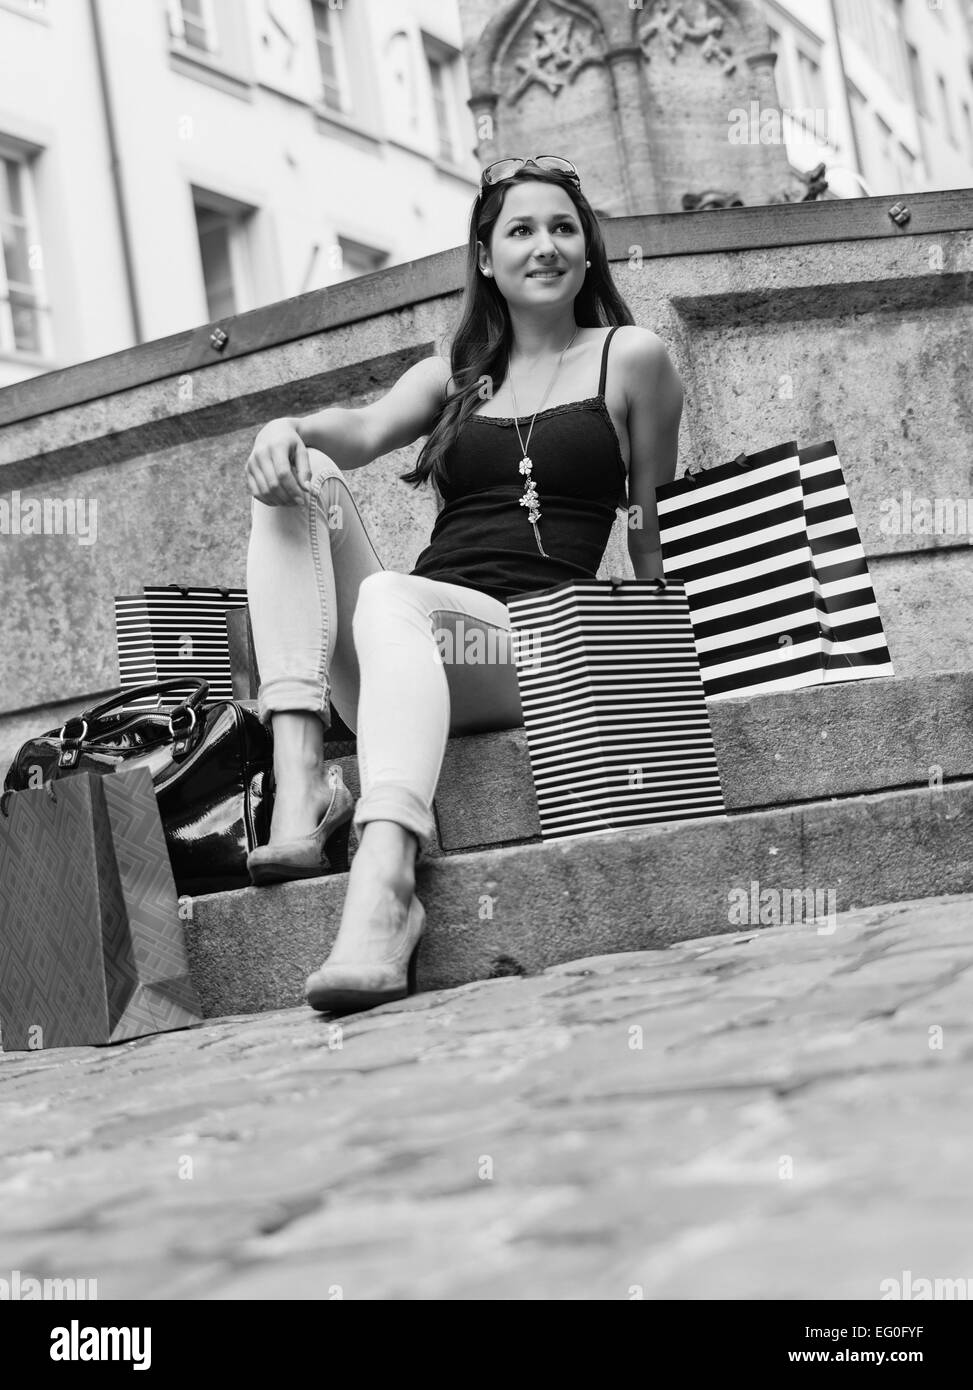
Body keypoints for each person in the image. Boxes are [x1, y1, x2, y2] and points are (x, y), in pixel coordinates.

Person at [244, 155, 684, 1017]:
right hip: (400, 648)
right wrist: (280, 426)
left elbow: (650, 521)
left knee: (387, 596)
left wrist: (659, 659)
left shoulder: (630, 359)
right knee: (301, 474)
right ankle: (298, 786)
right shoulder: (458, 369)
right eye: (520, 230)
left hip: (523, 649)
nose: (545, 246)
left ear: (588, 253)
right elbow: (361, 430)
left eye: (563, 228)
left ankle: (386, 880)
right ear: (485, 257)